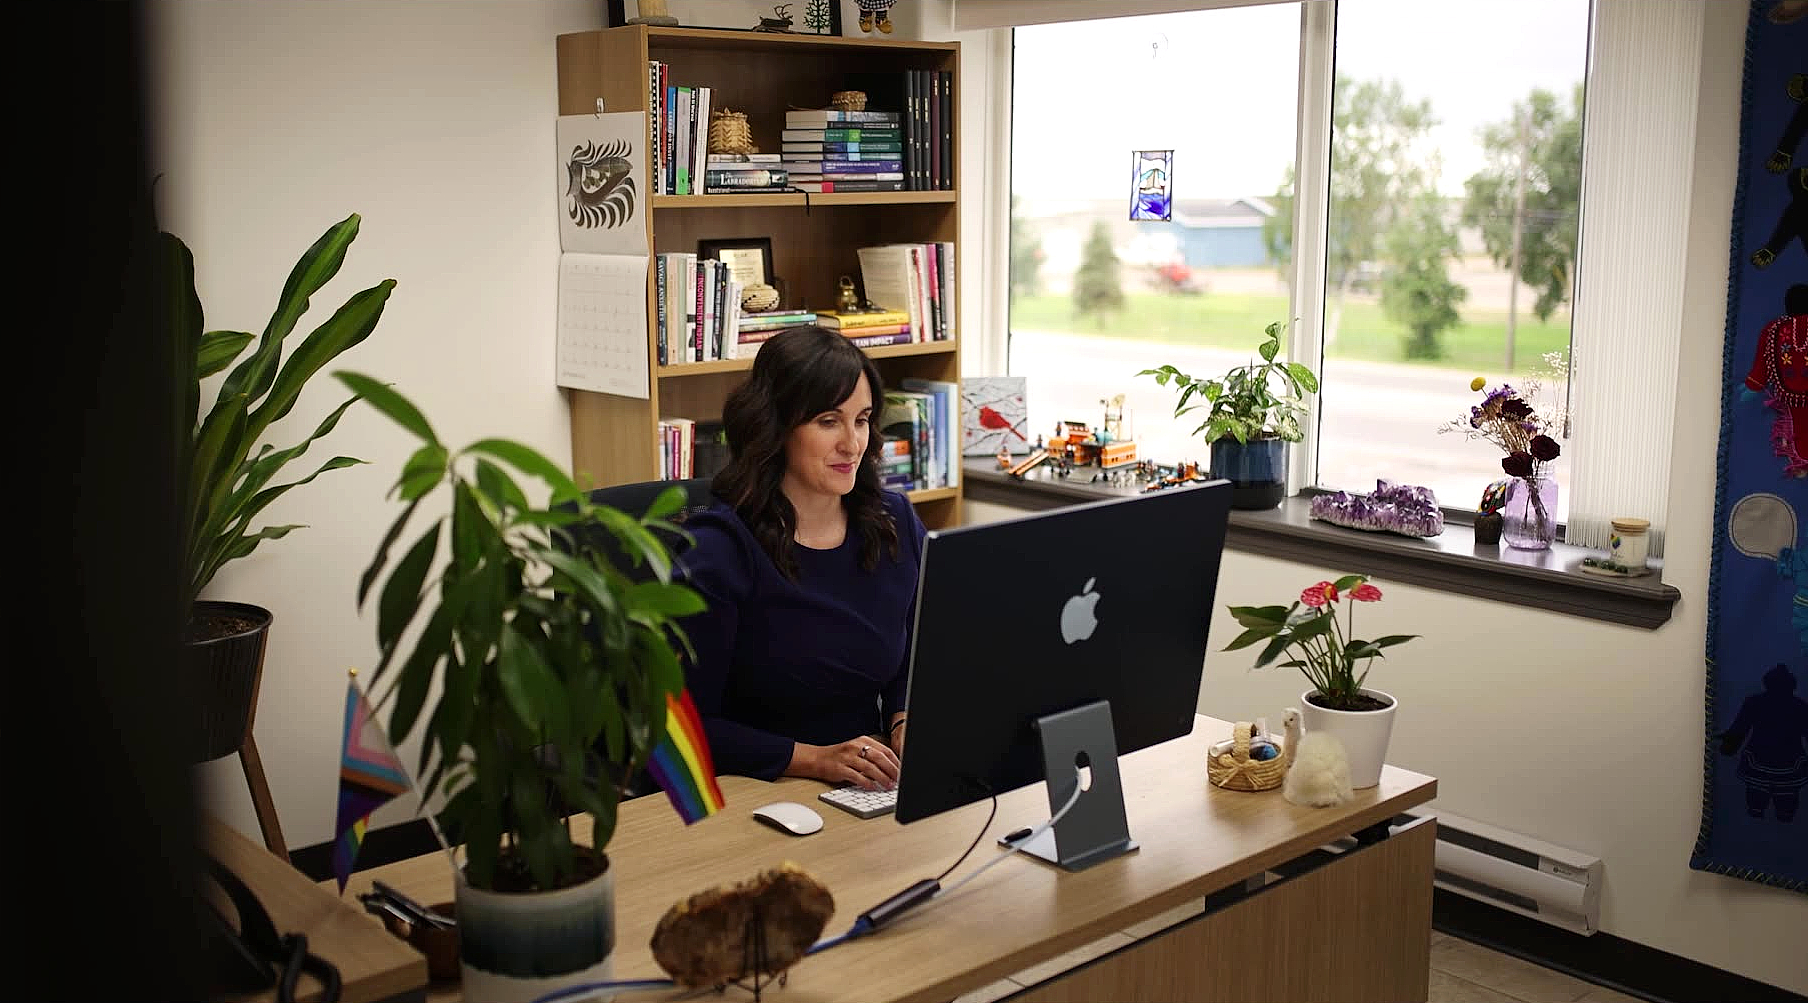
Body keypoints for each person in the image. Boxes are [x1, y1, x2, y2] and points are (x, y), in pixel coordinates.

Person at [678, 325, 926, 792]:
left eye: (862, 419)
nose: (852, 444)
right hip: (754, 789)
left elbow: (915, 648)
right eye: (829, 421)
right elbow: (682, 728)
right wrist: (817, 761)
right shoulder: (719, 551)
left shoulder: (893, 523)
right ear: (777, 427)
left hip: (866, 780)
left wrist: (902, 719)